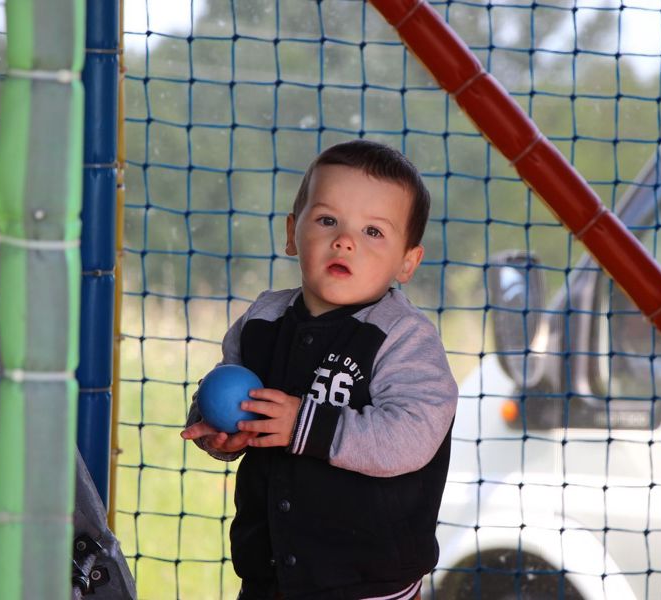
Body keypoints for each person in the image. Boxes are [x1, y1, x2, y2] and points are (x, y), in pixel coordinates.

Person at [181, 139, 458, 600]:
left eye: (373, 231)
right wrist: (219, 432)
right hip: (269, 576)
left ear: (407, 261)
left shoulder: (403, 338)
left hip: (368, 582)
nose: (345, 240)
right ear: (293, 233)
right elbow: (228, 392)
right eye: (328, 220)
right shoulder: (262, 321)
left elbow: (413, 435)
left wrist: (304, 425)